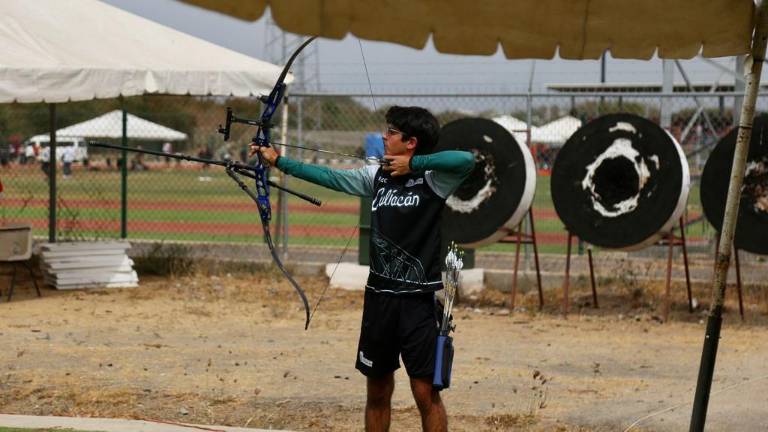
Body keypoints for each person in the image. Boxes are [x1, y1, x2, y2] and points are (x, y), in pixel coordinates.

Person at [252, 106, 474, 432]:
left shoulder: (435, 179)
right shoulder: (377, 176)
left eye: (392, 133)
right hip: (379, 300)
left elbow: (466, 160)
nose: (384, 137)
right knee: (378, 389)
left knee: (425, 392)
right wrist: (278, 162)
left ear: (411, 142)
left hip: (417, 302)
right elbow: (329, 177)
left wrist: (414, 164)